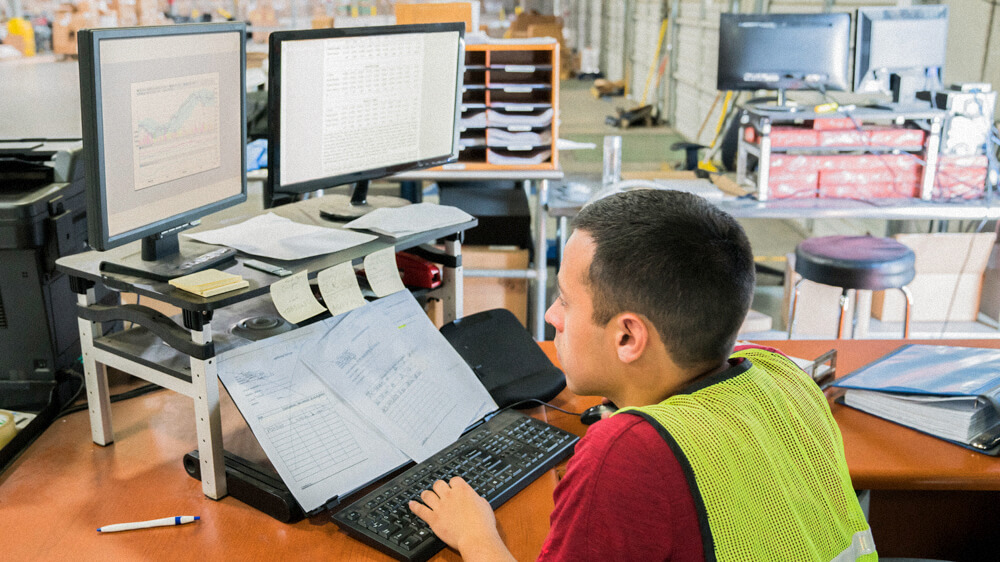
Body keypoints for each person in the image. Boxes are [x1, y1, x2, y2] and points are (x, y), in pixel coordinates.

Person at [408, 189, 875, 561]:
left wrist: (476, 537)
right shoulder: (781, 373)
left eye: (566, 301)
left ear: (629, 338)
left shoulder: (625, 455)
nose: (552, 315)